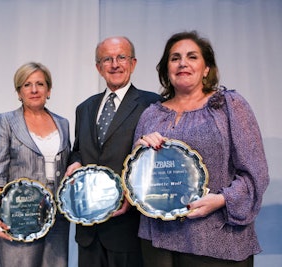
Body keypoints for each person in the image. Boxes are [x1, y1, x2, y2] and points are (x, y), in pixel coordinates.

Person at [134, 31, 269, 267]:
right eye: (175, 58)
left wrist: (221, 200)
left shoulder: (229, 106)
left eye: (192, 57)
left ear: (206, 68)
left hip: (217, 241)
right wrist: (140, 152)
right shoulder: (151, 114)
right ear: (167, 68)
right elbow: (137, 180)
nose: (182, 63)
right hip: (158, 244)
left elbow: (255, 174)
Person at [65, 36, 162, 267]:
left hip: (127, 227)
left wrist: (131, 193)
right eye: (107, 59)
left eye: (121, 57)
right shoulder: (85, 107)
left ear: (133, 63)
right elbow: (78, 150)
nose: (115, 64)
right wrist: (75, 162)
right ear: (99, 68)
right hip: (88, 229)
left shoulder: (153, 104)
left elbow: (155, 163)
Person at [0, 62, 71, 267]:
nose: (34, 89)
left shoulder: (63, 123)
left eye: (40, 84)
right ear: (19, 91)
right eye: (27, 84)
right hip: (18, 215)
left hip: (56, 219)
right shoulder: (5, 121)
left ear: (48, 90)